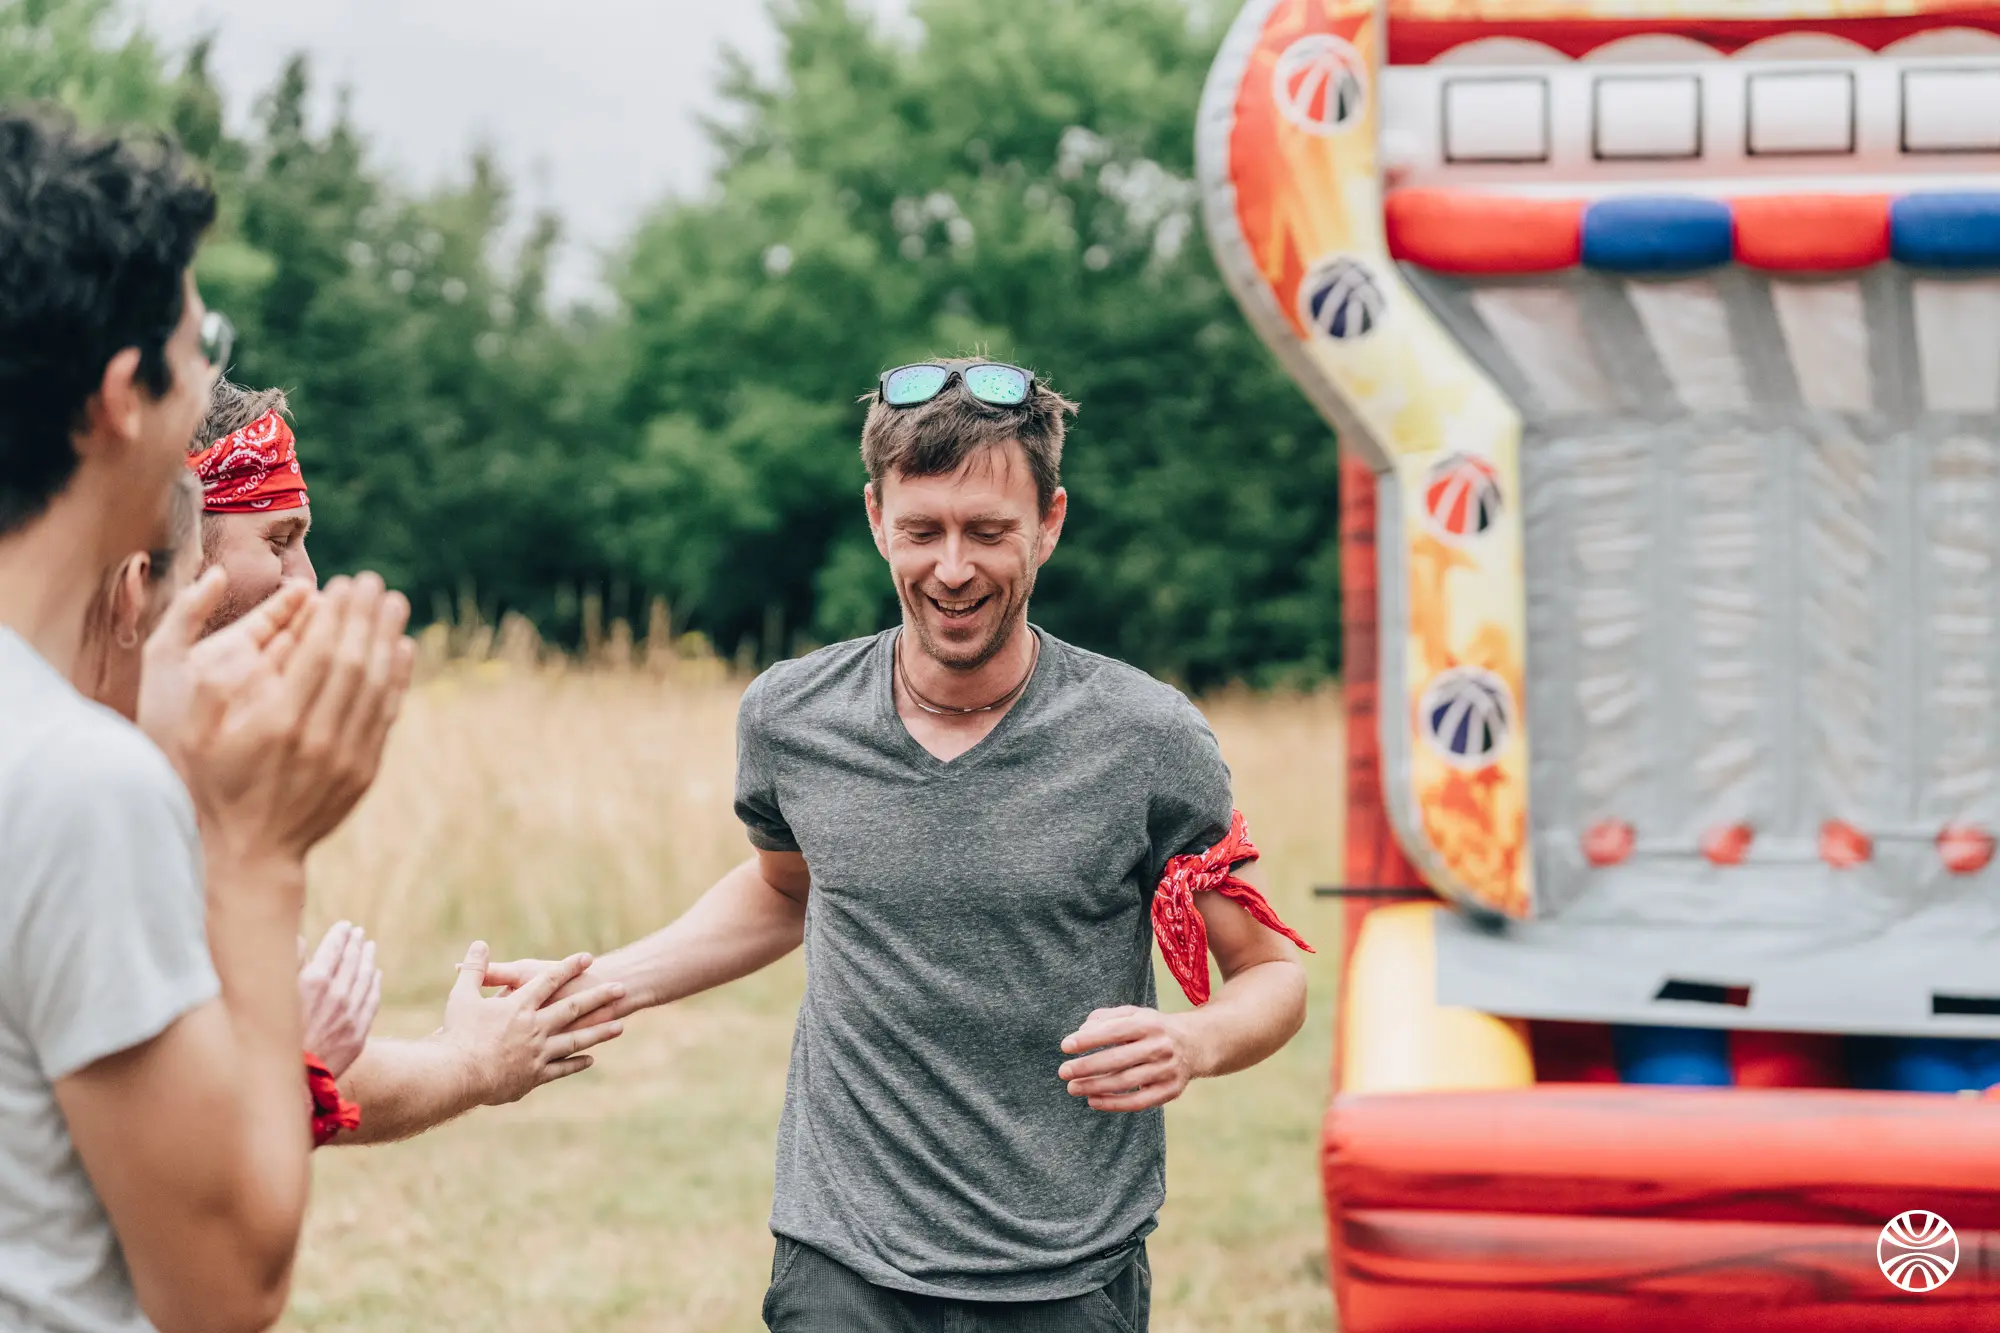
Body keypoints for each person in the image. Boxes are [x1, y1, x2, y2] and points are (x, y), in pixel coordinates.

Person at [488, 358, 1313, 1331]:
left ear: (1048, 523)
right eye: (922, 530)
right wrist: (606, 980)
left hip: (1063, 1273)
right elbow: (788, 890)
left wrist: (1195, 1038)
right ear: (877, 516)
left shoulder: (1145, 738)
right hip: (841, 1263)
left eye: (988, 531)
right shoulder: (792, 717)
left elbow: (1270, 970)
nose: (952, 567)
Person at [0, 107, 414, 1333]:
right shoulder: (79, 783)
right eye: (199, 346)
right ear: (127, 396)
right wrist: (255, 846)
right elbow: (224, 1286)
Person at [183, 381, 630, 1141]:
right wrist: (471, 1062)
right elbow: (238, 1094)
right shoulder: (111, 763)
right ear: (173, 543)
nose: (307, 579)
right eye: (278, 540)